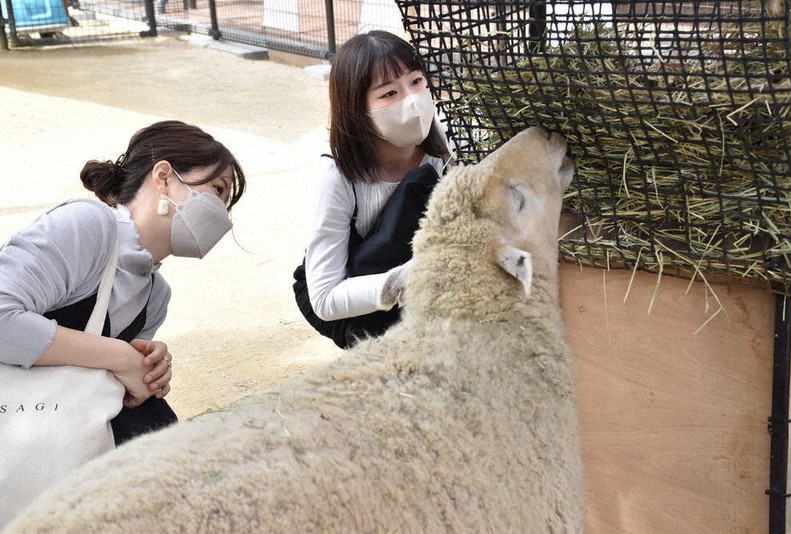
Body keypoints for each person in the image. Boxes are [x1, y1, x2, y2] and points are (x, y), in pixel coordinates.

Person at [0, 119, 246, 444]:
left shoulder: (156, 296)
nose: (222, 213)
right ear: (164, 178)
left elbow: (108, 388)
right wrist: (121, 357)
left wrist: (147, 372)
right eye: (218, 189)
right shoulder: (89, 224)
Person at [295, 30, 453, 349]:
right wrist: (411, 279)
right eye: (389, 93)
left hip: (426, 278)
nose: (411, 99)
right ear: (357, 110)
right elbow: (324, 299)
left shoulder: (449, 144)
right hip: (358, 299)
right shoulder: (338, 177)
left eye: (416, 81)